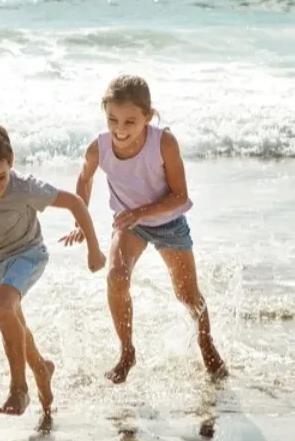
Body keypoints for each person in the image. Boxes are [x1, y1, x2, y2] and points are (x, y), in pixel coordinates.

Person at [68, 75, 227, 383]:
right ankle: (127, 352)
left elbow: (180, 195)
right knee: (116, 277)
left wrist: (140, 212)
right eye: (112, 119)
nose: (119, 129)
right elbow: (84, 179)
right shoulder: (98, 148)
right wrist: (80, 219)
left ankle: (206, 342)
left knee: (187, 294)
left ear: (148, 117)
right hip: (129, 225)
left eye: (130, 121)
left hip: (168, 222)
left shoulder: (163, 142)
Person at [0, 120, 106, 416]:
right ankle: (41, 368)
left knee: (0, 308)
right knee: (13, 321)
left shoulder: (25, 188)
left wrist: (93, 249)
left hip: (27, 255)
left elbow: (74, 202)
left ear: (10, 161)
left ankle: (18, 389)